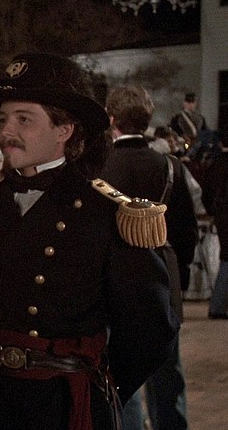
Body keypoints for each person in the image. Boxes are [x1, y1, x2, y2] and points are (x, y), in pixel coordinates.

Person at [0, 53, 179, 429]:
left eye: (24, 119)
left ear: (64, 130)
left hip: (66, 403)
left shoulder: (105, 213)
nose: (7, 131)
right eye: (3, 119)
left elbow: (151, 326)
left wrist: (101, 386)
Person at [103, 85, 197, 430]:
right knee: (167, 369)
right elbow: (187, 230)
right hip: (162, 270)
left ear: (112, 119)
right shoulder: (170, 166)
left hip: (115, 276)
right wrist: (180, 273)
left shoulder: (101, 168)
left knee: (119, 373)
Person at [200, 123, 228, 321]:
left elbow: (206, 193)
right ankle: (218, 305)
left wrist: (213, 211)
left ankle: (218, 304)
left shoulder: (214, 164)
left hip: (221, 215)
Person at [170, 92, 215, 163]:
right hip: (183, 143)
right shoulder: (177, 118)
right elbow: (173, 131)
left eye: (192, 102)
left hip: (197, 145)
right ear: (184, 103)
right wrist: (183, 136)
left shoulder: (200, 118)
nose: (190, 104)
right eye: (188, 102)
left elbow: (205, 131)